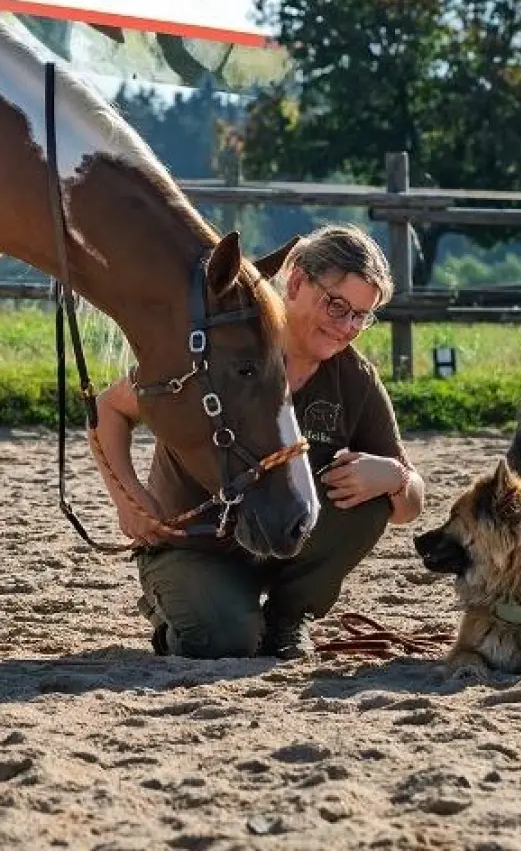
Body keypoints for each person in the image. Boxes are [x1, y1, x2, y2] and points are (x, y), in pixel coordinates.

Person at [88, 223, 426, 659]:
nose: (347, 327)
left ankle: (289, 619)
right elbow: (107, 410)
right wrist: (128, 499)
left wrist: (396, 477)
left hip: (281, 544)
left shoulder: (354, 378)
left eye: (362, 316)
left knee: (370, 495)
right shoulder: (225, 349)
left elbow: (410, 505)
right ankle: (176, 602)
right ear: (299, 281)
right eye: (338, 306)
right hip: (196, 545)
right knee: (224, 643)